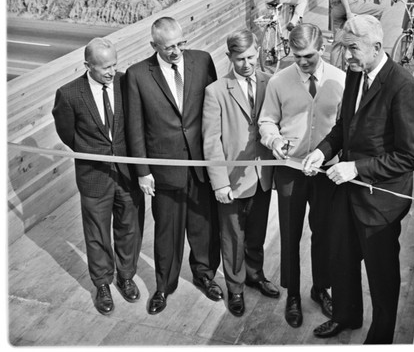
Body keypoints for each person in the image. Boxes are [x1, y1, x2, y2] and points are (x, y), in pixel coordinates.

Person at [302, 14, 414, 344]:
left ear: (376, 46)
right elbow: (344, 129)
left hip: (380, 202)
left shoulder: (403, 87)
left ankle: (381, 336)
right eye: (343, 49)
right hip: (348, 192)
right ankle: (346, 315)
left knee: (381, 273)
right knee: (342, 259)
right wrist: (322, 151)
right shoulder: (356, 75)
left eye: (352, 49)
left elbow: (412, 155)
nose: (346, 57)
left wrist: (357, 169)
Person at [125, 16, 222, 315]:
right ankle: (164, 287)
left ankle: (205, 275)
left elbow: (214, 110)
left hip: (201, 164)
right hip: (165, 171)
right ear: (154, 45)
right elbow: (135, 128)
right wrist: (143, 172)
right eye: (169, 47)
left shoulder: (203, 61)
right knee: (167, 232)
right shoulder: (138, 74)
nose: (177, 51)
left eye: (181, 43)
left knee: (204, 226)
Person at [258, 23, 345, 328]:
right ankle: (292, 294)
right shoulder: (279, 81)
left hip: (325, 173)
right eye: (297, 56)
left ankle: (320, 288)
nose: (303, 62)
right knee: (290, 233)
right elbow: (267, 121)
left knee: (324, 233)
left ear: (322, 48)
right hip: (290, 171)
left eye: (308, 55)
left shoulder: (340, 80)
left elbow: (344, 127)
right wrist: (273, 140)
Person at [52, 38, 144, 316]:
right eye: (104, 67)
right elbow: (68, 133)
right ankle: (102, 283)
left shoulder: (126, 82)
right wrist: (92, 151)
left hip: (127, 174)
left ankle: (125, 276)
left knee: (130, 227)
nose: (111, 71)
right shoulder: (69, 94)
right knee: (96, 234)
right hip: (93, 176)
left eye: (114, 64)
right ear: (87, 65)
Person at [202, 29, 280, 317]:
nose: (246, 64)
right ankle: (235, 287)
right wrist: (219, 183)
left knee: (256, 232)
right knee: (232, 236)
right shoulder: (216, 92)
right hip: (232, 180)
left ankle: (255, 275)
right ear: (229, 58)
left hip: (262, 175)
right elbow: (211, 141)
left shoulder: (270, 82)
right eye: (239, 59)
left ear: (258, 52)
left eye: (250, 57)